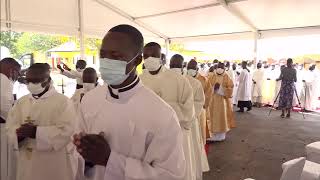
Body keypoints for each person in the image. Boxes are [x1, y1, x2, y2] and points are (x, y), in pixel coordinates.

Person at [73, 25, 185, 180]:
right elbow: (76, 155)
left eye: (116, 56)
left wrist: (109, 160)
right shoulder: (90, 100)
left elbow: (170, 175)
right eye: (103, 55)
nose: (106, 61)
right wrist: (84, 154)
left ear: (137, 60)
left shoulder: (161, 114)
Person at [6, 63, 76, 180]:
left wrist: (36, 132)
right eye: (28, 81)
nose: (31, 84)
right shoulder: (21, 102)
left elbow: (67, 131)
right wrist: (18, 135)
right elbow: (10, 127)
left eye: (36, 80)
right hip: (27, 161)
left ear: (48, 80)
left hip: (52, 162)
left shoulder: (63, 102)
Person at [141, 43, 194, 180]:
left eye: (154, 55)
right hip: (147, 134)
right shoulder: (140, 80)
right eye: (146, 55)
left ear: (161, 58)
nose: (149, 59)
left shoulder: (178, 79)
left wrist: (165, 107)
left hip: (174, 132)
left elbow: (189, 109)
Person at [186, 59, 210, 179]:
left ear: (197, 68)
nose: (190, 69)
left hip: (199, 112)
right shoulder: (182, 78)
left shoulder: (203, 79)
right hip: (185, 116)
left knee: (199, 137)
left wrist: (201, 106)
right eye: (189, 67)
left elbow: (207, 95)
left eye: (193, 67)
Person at [0, 58, 21, 180]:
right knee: (5, 164)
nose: (17, 76)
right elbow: (5, 108)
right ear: (11, 70)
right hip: (3, 128)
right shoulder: (5, 81)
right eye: (17, 73)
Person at [206, 62, 235, 141]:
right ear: (216, 68)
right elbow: (207, 87)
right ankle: (212, 134)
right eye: (218, 67)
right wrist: (213, 88)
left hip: (222, 102)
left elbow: (231, 89)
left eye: (221, 68)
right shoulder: (211, 76)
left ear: (224, 69)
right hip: (212, 100)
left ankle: (221, 136)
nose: (219, 69)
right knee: (212, 116)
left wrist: (220, 89)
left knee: (221, 117)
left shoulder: (227, 77)